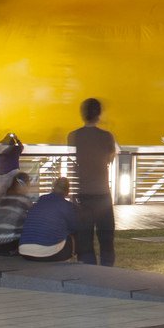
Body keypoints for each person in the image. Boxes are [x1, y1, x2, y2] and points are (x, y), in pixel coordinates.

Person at [67, 98, 119, 266]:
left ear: (82, 114)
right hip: (102, 193)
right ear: (99, 114)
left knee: (84, 241)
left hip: (82, 194)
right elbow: (110, 158)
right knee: (106, 240)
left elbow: (72, 162)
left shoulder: (73, 136)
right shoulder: (106, 136)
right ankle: (107, 274)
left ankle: (89, 275)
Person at [18, 177, 80, 261]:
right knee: (73, 236)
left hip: (24, 251)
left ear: (53, 188)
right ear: (67, 191)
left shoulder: (39, 202)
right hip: (48, 254)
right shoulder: (67, 206)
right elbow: (74, 227)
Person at [0, 173, 35, 255]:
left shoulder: (3, 199)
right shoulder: (24, 200)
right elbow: (35, 220)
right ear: (24, 185)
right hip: (8, 245)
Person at [0, 132, 23, 201]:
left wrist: (5, 138)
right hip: (12, 171)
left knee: (1, 190)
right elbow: (21, 146)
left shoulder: (0, 149)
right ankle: (11, 203)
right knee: (13, 189)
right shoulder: (15, 149)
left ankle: (0, 204)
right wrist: (16, 139)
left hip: (0, 172)